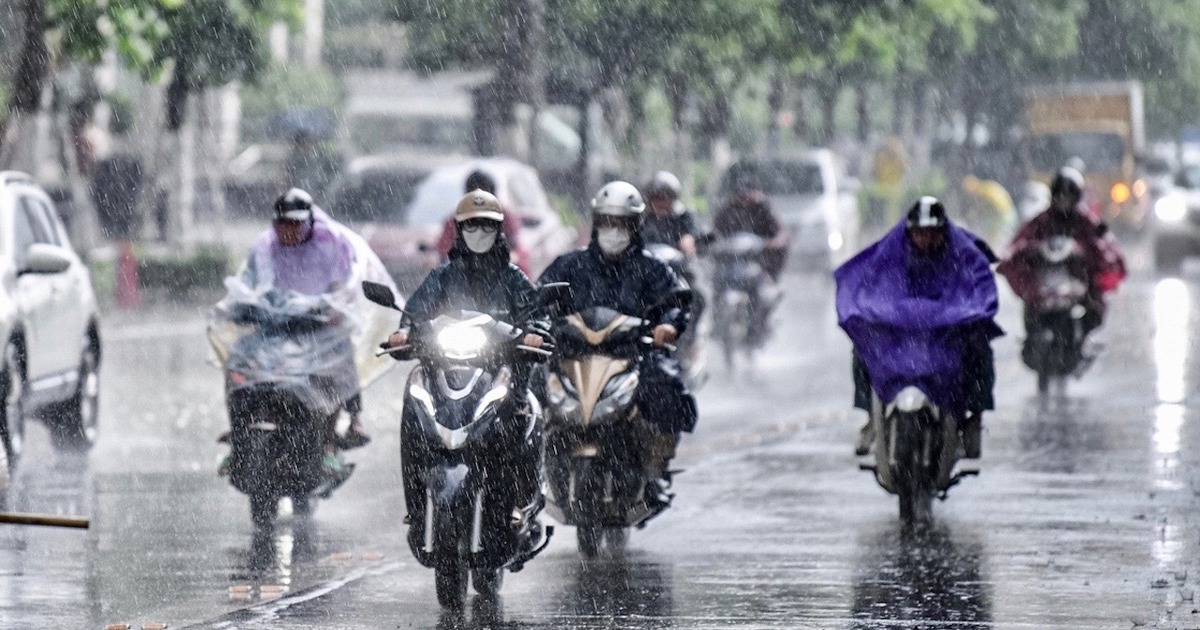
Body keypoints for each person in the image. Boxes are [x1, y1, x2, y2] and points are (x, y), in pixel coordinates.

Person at [383, 190, 547, 519]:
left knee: (524, 413)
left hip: (499, 368)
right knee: (413, 406)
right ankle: (416, 504)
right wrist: (404, 331)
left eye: (486, 226)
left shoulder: (512, 278)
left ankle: (520, 499)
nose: (479, 233)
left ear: (499, 231)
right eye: (472, 226)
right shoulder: (442, 276)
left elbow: (535, 314)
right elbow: (416, 310)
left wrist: (535, 333)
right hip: (446, 368)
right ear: (459, 230)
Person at [538, 180, 698, 507]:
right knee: (527, 390)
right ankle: (527, 473)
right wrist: (536, 325)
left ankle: (654, 469)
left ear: (636, 225)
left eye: (622, 223)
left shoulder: (651, 268)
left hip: (634, 356)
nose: (614, 230)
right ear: (597, 223)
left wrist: (667, 325)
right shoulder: (571, 265)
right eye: (608, 222)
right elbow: (538, 297)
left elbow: (675, 301)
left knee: (667, 387)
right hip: (574, 356)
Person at [836, 197, 1002, 460]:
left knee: (980, 349)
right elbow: (872, 282)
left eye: (932, 233)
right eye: (919, 233)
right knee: (863, 350)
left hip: (945, 331)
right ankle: (871, 417)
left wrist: (969, 312)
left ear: (943, 231)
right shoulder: (893, 250)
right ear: (909, 231)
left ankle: (973, 421)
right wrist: (871, 312)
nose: (925, 239)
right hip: (901, 333)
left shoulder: (961, 252)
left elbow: (979, 286)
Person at [223, 189, 370, 474]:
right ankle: (238, 437)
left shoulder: (331, 245)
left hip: (316, 331)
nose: (289, 230)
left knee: (339, 354)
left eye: (296, 224)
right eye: (283, 224)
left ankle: (338, 433)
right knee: (237, 360)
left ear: (309, 223)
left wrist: (334, 309)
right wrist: (239, 305)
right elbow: (248, 285)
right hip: (273, 331)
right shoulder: (264, 248)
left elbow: (343, 287)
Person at [998, 167, 1126, 347]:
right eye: (1060, 195)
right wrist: (1030, 252)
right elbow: (1017, 245)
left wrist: (1085, 255)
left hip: (1078, 283)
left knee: (1095, 304)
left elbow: (1105, 249)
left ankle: (1082, 337)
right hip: (1043, 286)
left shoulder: (1086, 222)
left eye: (1069, 195)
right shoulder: (1040, 222)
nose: (1064, 200)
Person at [712, 173, 788, 343]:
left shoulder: (764, 209)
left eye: (746, 195)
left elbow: (780, 236)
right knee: (717, 282)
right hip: (732, 263)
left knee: (761, 294)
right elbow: (715, 233)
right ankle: (716, 323)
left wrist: (768, 243)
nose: (743, 199)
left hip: (758, 263)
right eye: (740, 195)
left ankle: (758, 326)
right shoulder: (727, 211)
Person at [433, 170, 530, 273]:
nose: (479, 233)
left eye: (488, 227)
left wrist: (509, 259)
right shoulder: (454, 220)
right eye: (471, 228)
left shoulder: (506, 217)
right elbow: (442, 252)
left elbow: (518, 250)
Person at [642, 171, 699, 257]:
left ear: (672, 199)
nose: (658, 202)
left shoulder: (682, 217)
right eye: (654, 197)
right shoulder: (643, 218)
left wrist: (686, 244)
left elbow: (688, 238)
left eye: (663, 198)